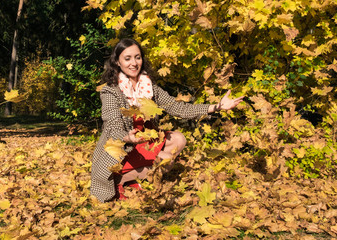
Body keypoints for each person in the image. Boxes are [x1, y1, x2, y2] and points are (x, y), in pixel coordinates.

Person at [91, 38, 244, 202]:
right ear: (117, 62)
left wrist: (217, 106)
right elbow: (113, 127)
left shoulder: (149, 87)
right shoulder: (110, 91)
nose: (133, 63)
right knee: (164, 160)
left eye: (137, 57)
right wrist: (129, 137)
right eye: (127, 58)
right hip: (122, 147)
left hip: (144, 141)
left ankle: (133, 176)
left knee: (179, 139)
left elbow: (179, 108)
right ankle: (118, 180)